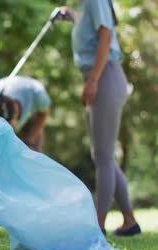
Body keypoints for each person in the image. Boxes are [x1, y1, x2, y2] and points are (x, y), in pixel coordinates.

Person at [59, 0, 141, 236]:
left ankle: (97, 226)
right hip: (100, 77)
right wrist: (72, 15)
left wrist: (93, 79)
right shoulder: (85, 4)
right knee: (102, 155)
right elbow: (92, 28)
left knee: (103, 157)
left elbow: (105, 35)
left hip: (105, 77)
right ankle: (129, 221)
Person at [0, 76, 51, 152]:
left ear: (16, 112)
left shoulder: (37, 93)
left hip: (32, 118)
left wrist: (30, 141)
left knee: (32, 151)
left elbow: (43, 114)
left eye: (9, 126)